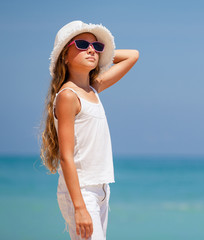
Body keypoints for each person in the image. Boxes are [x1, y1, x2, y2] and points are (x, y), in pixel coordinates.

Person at [40, 20, 139, 239]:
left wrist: (99, 54)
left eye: (97, 46)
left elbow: (133, 55)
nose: (91, 49)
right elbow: (66, 157)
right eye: (82, 44)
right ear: (64, 56)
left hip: (101, 189)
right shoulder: (68, 96)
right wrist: (79, 207)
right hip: (82, 191)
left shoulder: (93, 89)